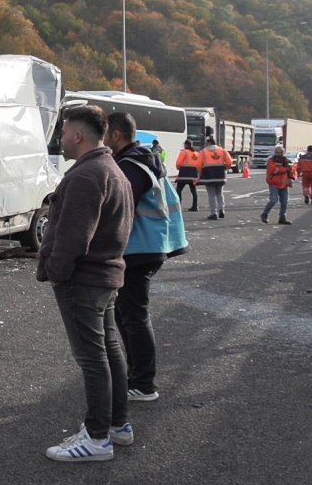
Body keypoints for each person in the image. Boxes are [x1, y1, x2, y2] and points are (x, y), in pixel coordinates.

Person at [37, 105, 133, 462]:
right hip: (106, 276)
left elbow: (73, 238)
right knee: (110, 351)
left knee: (93, 358)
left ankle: (96, 439)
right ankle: (117, 426)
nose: (60, 140)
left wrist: (56, 272)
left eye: (63, 133)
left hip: (84, 280)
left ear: (78, 135)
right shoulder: (112, 170)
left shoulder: (85, 176)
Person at [105, 112, 188, 405]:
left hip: (140, 248)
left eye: (104, 133)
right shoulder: (143, 158)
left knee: (133, 314)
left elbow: (120, 208)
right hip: (150, 245)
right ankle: (136, 374)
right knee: (125, 313)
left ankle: (143, 382)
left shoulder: (131, 166)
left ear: (116, 135)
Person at [198, 136, 234, 220]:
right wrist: (225, 167)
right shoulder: (222, 151)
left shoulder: (203, 152)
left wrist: (200, 173)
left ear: (209, 143)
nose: (205, 145)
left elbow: (198, 164)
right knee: (220, 193)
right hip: (220, 175)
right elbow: (229, 161)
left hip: (208, 176)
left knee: (211, 195)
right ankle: (221, 209)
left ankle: (213, 213)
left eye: (206, 143)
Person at [261, 146, 295, 224]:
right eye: (277, 152)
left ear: (284, 153)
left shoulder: (286, 161)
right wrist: (285, 169)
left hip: (284, 184)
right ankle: (264, 214)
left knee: (284, 202)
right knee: (273, 200)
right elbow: (274, 170)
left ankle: (282, 218)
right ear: (275, 152)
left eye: (281, 152)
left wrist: (292, 177)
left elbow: (292, 170)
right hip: (274, 183)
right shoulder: (271, 161)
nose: (279, 154)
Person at [174, 140, 202, 212]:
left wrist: (178, 168)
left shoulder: (184, 152)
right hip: (193, 174)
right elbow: (199, 164)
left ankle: (178, 206)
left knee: (178, 190)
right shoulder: (196, 153)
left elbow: (179, 163)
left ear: (186, 145)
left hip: (184, 173)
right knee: (193, 191)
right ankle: (195, 206)